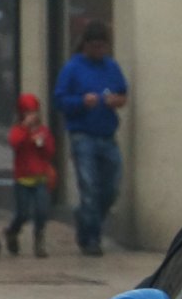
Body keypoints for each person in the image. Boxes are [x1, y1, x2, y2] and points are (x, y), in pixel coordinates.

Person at [53, 20, 128, 256]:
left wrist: (115, 101)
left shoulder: (111, 67)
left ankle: (86, 220)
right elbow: (60, 100)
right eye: (95, 46)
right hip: (82, 135)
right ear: (85, 45)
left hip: (107, 135)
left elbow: (123, 94)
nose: (99, 51)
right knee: (89, 188)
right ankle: (91, 237)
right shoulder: (72, 68)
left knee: (111, 187)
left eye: (102, 47)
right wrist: (81, 102)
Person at [4, 92, 56, 258]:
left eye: (34, 112)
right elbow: (15, 143)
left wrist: (41, 143)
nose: (32, 116)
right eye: (28, 113)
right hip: (23, 179)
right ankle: (13, 231)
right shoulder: (18, 130)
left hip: (40, 178)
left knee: (42, 211)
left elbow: (50, 151)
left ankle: (39, 240)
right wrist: (26, 131)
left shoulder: (43, 131)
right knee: (23, 213)